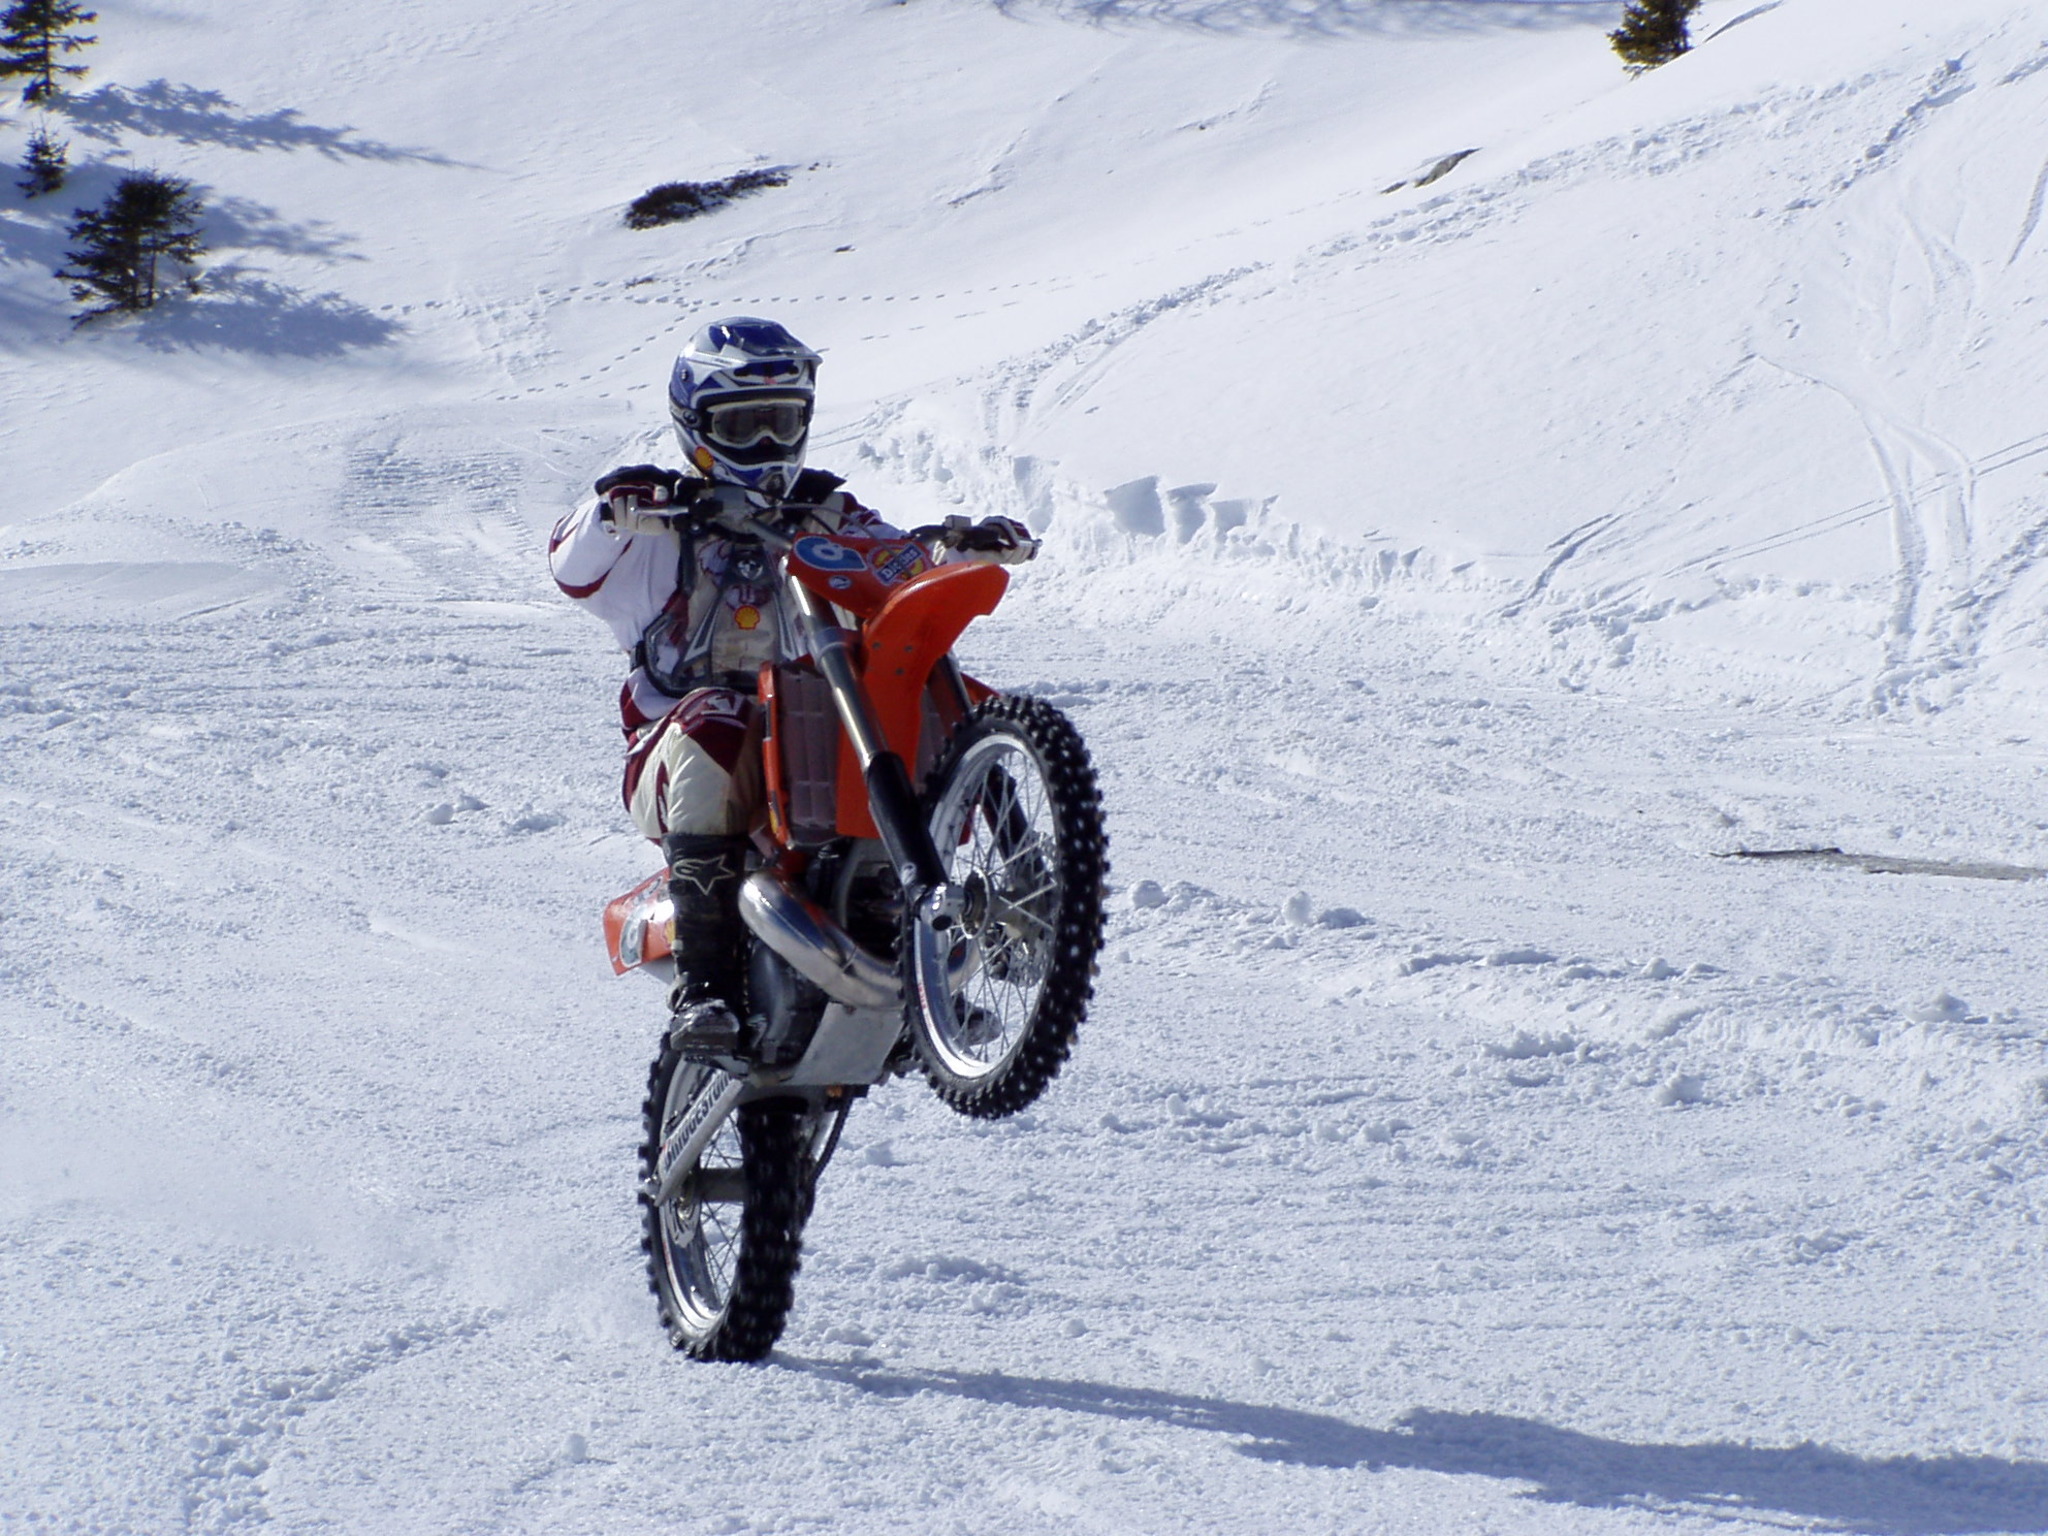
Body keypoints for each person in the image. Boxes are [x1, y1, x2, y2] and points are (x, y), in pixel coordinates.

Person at [549, 316, 1034, 1062]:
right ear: (696, 428)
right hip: (681, 756)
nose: (767, 445)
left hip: (803, 741)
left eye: (781, 423)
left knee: (946, 695)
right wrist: (623, 504)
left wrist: (954, 549)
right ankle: (704, 990)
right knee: (717, 712)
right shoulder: (661, 530)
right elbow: (572, 563)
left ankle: (1006, 906)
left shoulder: (823, 513)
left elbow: (898, 561)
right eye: (744, 426)